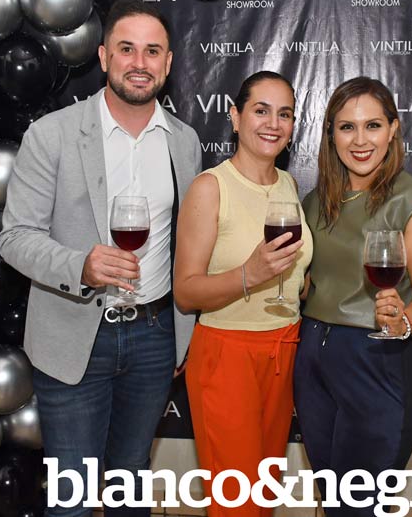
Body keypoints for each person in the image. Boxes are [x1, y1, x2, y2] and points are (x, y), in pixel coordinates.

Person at [0, 0, 201, 517]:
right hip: (74, 336)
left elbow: (188, 244)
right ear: (104, 56)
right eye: (127, 49)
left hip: (155, 334)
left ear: (168, 63)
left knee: (130, 482)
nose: (140, 62)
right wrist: (80, 267)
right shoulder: (53, 134)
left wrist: (185, 331)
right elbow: (15, 237)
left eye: (152, 51)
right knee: (72, 497)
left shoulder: (185, 143)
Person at [294, 77, 412, 515]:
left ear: (393, 129)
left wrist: (403, 321)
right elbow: (309, 283)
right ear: (331, 134)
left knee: (360, 505)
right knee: (335, 501)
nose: (360, 140)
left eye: (373, 126)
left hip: (378, 361)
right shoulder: (316, 201)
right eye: (347, 127)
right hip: (313, 361)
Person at [173, 71, 312, 517]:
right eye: (261, 110)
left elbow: (294, 272)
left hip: (284, 350)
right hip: (227, 355)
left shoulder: (288, 185)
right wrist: (248, 275)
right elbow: (186, 292)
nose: (273, 123)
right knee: (237, 504)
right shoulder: (210, 187)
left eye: (284, 114)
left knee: (263, 499)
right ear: (235, 117)